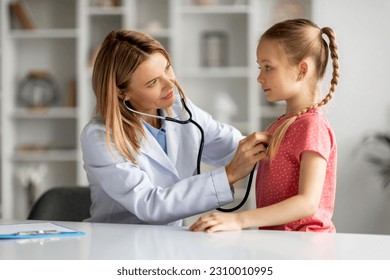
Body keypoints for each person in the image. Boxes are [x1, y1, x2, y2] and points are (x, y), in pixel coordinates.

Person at [80, 30, 269, 226]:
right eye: (153, 82)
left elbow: (233, 145)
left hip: (168, 241)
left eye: (167, 68)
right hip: (119, 244)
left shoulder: (181, 110)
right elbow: (150, 204)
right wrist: (229, 175)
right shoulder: (100, 137)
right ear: (122, 93)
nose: (169, 83)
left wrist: (281, 139)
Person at [189, 18, 339, 233]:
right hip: (281, 241)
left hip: (305, 244)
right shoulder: (280, 125)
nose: (260, 78)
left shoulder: (312, 126)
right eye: (260, 67)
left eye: (268, 68)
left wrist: (239, 221)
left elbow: (308, 203)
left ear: (301, 70)